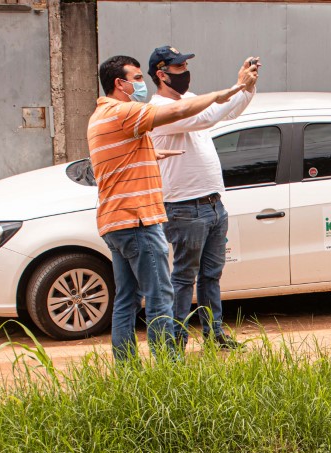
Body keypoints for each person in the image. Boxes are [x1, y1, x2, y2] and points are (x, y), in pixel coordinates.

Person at [87, 54, 254, 360]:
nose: (141, 85)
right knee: (160, 295)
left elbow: (120, 162)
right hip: (138, 219)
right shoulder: (123, 112)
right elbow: (179, 110)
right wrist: (226, 91)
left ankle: (128, 371)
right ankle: (169, 368)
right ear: (119, 84)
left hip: (117, 220)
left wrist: (150, 156)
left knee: (127, 299)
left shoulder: (102, 116)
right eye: (137, 79)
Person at [148, 48, 259, 350]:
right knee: (184, 279)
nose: (185, 70)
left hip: (212, 204)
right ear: (161, 74)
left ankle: (215, 335)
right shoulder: (160, 110)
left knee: (211, 275)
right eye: (179, 66)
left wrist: (248, 86)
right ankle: (174, 344)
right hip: (185, 207)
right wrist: (237, 86)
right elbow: (208, 116)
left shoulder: (188, 99)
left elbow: (231, 110)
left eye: (185, 65)